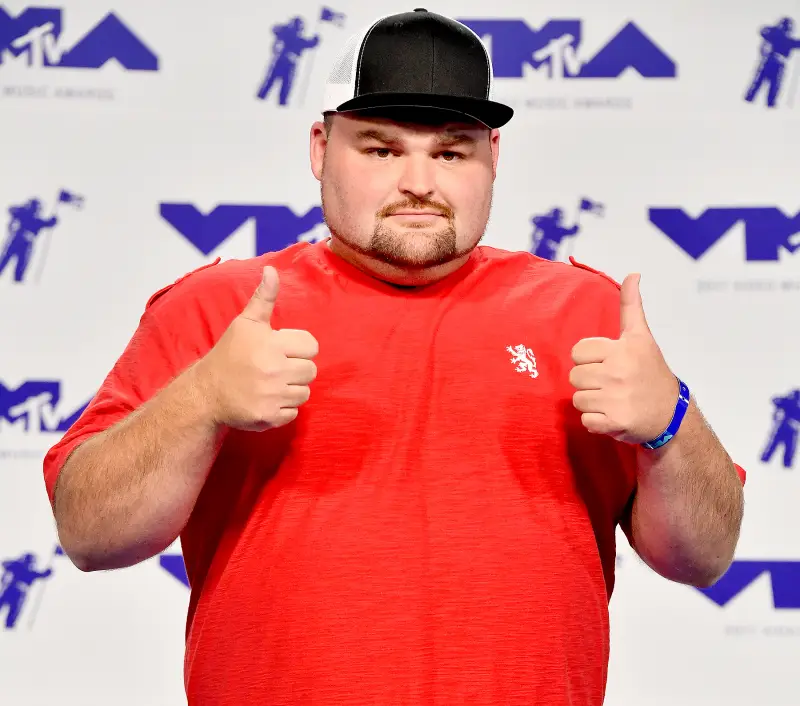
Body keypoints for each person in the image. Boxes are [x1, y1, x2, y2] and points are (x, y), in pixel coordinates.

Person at [42, 9, 746, 706]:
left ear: (493, 158)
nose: (419, 182)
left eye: (451, 151)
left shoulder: (585, 315)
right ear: (320, 149)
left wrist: (671, 420)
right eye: (381, 150)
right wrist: (201, 400)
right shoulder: (222, 307)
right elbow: (89, 533)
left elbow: (703, 555)